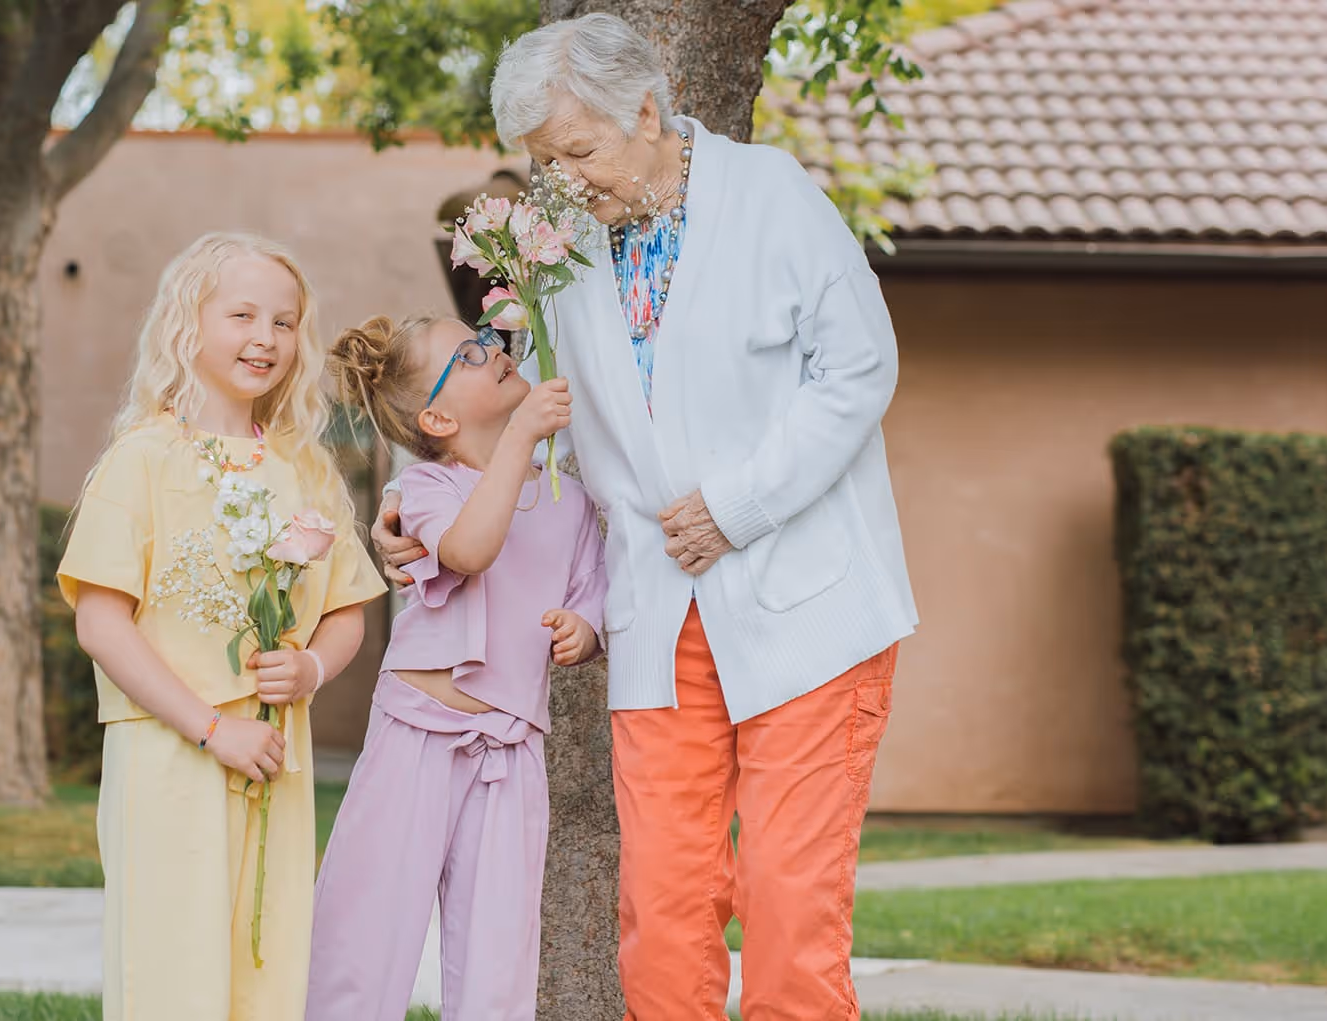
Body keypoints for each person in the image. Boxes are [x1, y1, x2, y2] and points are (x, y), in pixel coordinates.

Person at [373, 14, 919, 1020]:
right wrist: (411, 507)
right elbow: (527, 428)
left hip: (808, 610)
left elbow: (859, 368)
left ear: (647, 110)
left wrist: (735, 506)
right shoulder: (564, 252)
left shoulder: (773, 199)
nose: (566, 181)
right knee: (663, 912)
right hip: (660, 621)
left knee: (790, 906)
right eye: (545, 163)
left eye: (578, 152)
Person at [59, 232, 385, 1021]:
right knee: (172, 968)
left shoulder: (303, 469)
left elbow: (347, 609)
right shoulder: (140, 460)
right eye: (242, 314)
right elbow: (103, 624)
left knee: (264, 965)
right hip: (171, 754)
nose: (265, 337)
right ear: (187, 322)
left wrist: (309, 669)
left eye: (284, 321)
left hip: (276, 758)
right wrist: (213, 728)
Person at [308, 315, 606, 1020]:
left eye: (489, 341)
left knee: (499, 950)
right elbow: (471, 549)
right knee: (368, 924)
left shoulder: (570, 498)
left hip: (511, 748)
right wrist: (524, 436)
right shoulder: (428, 488)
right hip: (416, 733)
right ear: (438, 416)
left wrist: (583, 631)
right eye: (471, 355)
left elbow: (592, 594)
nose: (495, 351)